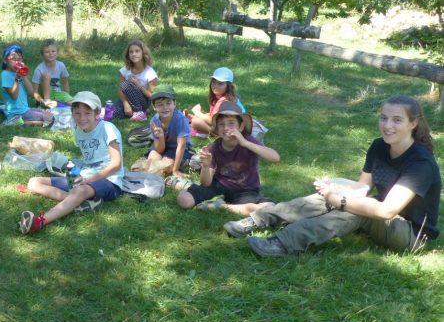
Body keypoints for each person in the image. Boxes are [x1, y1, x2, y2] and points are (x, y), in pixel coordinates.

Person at [225, 95, 440, 257]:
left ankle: (282, 242)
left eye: (396, 120)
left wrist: (339, 200)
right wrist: (333, 188)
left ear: (413, 123)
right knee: (331, 198)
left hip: (412, 234)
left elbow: (386, 210)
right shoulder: (379, 146)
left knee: (356, 211)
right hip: (384, 218)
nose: (387, 126)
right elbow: (362, 188)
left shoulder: (420, 163)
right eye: (384, 118)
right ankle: (258, 219)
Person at [19, 91, 124, 234]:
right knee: (34, 182)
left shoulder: (107, 128)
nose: (82, 118)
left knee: (79, 190)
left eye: (87, 113)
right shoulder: (79, 129)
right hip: (85, 176)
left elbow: (116, 165)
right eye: (77, 113)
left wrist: (88, 180)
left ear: (97, 113)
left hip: (109, 181)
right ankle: (79, 203)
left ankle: (39, 222)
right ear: (72, 113)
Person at [177, 101, 280, 215]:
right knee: (184, 200)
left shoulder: (248, 140)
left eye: (231, 123)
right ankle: (227, 204)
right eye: (221, 124)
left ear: (241, 126)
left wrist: (245, 143)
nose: (226, 128)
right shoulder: (214, 147)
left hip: (245, 191)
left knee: (269, 207)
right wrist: (205, 166)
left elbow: (275, 158)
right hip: (219, 186)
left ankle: (222, 206)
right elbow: (205, 183)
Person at [0, 44, 54, 126]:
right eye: (13, 59)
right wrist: (17, 77)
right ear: (5, 60)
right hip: (16, 112)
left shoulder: (18, 74)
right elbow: (14, 96)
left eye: (19, 59)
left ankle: (21, 122)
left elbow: (32, 91)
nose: (17, 62)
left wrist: (24, 76)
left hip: (25, 109)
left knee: (50, 114)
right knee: (49, 118)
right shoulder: (5, 74)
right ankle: (16, 121)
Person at [148, 84, 193, 177]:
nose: (165, 107)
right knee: (151, 164)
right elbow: (160, 150)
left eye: (168, 103)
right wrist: (160, 137)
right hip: (164, 147)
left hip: (179, 149)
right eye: (160, 104)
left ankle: (181, 163)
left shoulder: (180, 119)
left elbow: (181, 145)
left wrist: (175, 170)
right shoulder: (154, 121)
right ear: (154, 107)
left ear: (174, 104)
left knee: (164, 168)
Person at [188, 67, 244, 136]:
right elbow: (214, 115)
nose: (215, 86)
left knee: (196, 122)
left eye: (220, 84)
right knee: (197, 119)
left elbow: (213, 121)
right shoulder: (218, 97)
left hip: (233, 127)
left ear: (228, 86)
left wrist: (198, 113)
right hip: (224, 123)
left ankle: (215, 134)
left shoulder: (225, 100)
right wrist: (198, 116)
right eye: (214, 82)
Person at [116, 40, 158, 120]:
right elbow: (120, 89)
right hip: (128, 100)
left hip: (143, 101)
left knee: (125, 84)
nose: (134, 54)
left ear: (143, 53)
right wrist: (125, 104)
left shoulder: (150, 72)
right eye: (131, 52)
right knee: (116, 112)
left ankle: (140, 112)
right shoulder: (125, 70)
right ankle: (139, 112)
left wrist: (138, 84)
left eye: (137, 51)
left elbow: (153, 96)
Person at [31, 38, 72, 106]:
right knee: (46, 75)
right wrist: (42, 101)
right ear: (42, 55)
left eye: (53, 51)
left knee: (73, 104)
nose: (50, 54)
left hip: (58, 94)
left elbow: (65, 83)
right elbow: (34, 92)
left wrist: (67, 97)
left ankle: (59, 103)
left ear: (57, 52)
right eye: (47, 52)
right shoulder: (39, 70)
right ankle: (48, 103)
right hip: (44, 96)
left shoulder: (61, 65)